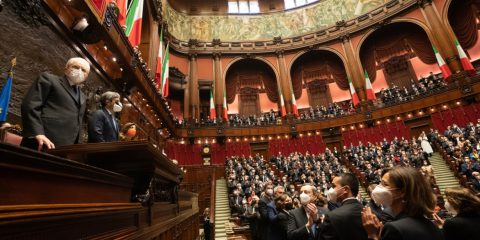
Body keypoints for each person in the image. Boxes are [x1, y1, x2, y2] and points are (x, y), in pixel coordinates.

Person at [20, 57, 90, 150]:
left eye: (83, 70)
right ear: (66, 69)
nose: (79, 71)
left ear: (86, 76)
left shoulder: (83, 96)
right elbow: (30, 105)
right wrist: (37, 133)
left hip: (66, 147)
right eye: (76, 67)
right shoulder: (49, 79)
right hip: (41, 142)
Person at [362, 166, 444, 240]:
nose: (378, 187)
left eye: (385, 184)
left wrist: (372, 236)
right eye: (380, 183)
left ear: (402, 192)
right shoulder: (433, 226)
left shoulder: (394, 228)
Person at [318, 173, 368, 240]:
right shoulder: (369, 212)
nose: (331, 189)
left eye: (333, 186)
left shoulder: (332, 216)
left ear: (345, 189)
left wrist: (322, 225)